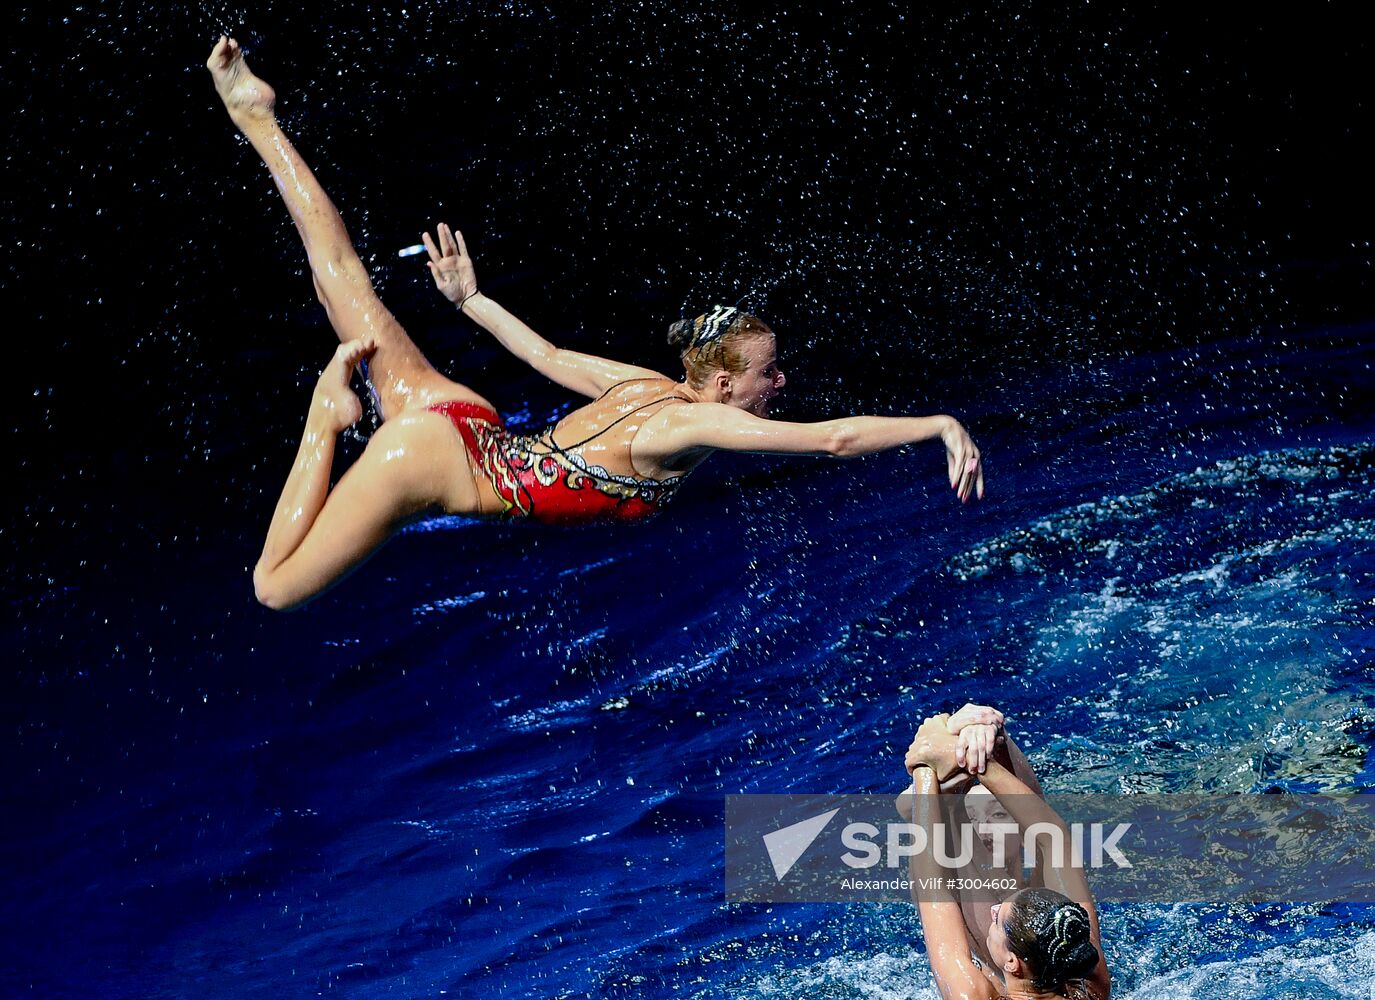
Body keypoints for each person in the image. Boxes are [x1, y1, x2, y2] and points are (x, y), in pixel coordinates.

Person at [205, 37, 986, 612]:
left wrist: (470, 301)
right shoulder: (690, 426)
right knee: (273, 589)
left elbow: (543, 353)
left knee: (342, 280)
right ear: (719, 384)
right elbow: (831, 439)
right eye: (766, 374)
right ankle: (324, 411)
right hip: (436, 452)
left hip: (465, 422)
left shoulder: (643, 383)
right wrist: (938, 423)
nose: (779, 383)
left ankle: (256, 119)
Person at [902, 710, 1111, 999]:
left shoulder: (972, 993)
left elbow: (934, 891)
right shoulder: (1086, 983)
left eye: (998, 919)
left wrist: (926, 767)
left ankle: (948, 795)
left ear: (1013, 962)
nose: (994, 909)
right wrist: (976, 758)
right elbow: (1053, 840)